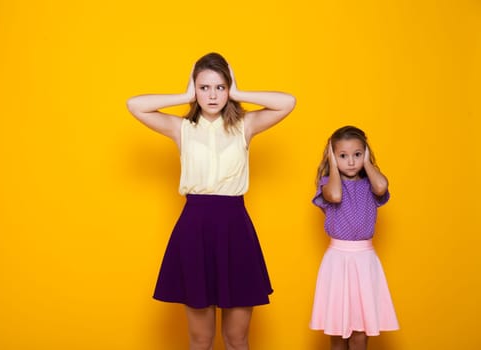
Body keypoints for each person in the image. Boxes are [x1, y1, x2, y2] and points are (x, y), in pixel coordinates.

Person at [126, 52, 295, 350]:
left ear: (228, 89)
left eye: (220, 87)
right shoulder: (182, 129)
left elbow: (288, 102)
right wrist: (183, 95)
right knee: (201, 339)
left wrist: (239, 92)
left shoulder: (246, 125)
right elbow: (134, 105)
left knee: (236, 338)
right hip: (195, 228)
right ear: (195, 90)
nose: (212, 95)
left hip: (235, 228)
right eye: (204, 87)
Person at [310, 126, 399, 350]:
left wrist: (368, 163)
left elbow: (382, 186)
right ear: (332, 156)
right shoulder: (327, 184)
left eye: (357, 155)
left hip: (365, 260)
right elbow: (336, 196)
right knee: (338, 331)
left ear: (365, 154)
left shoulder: (370, 183)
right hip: (338, 261)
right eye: (342, 156)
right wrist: (332, 163)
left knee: (361, 332)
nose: (351, 162)